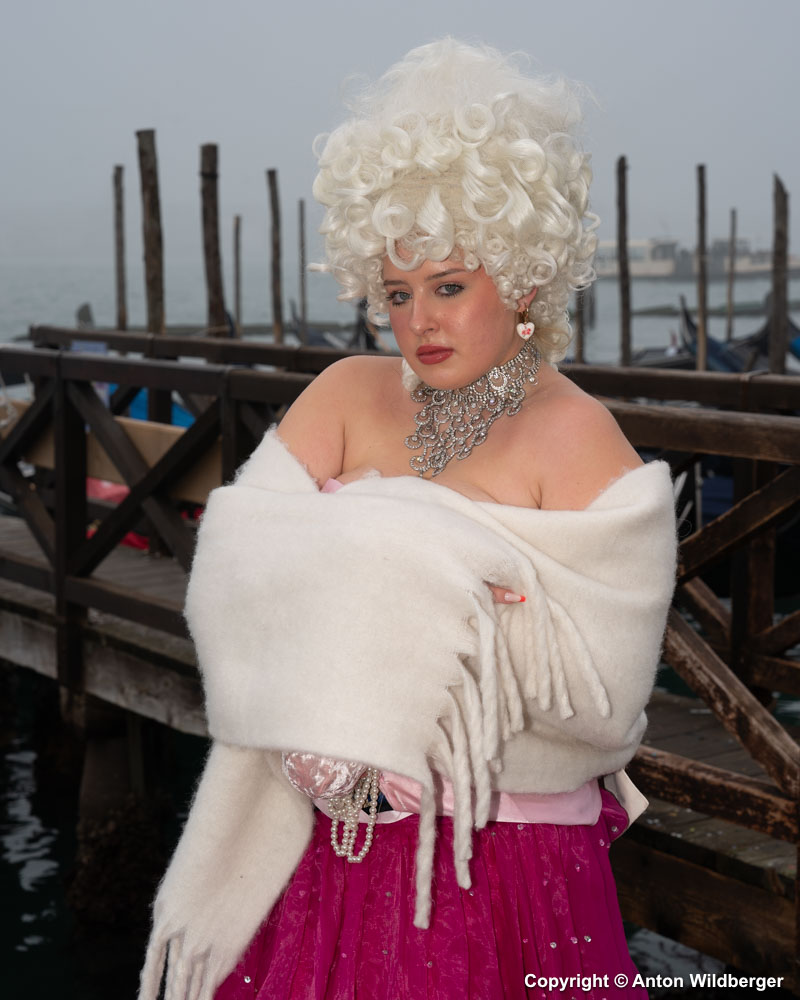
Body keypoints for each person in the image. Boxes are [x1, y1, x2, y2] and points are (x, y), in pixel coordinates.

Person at [139, 39, 676, 1000]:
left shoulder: (579, 437)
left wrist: (361, 566)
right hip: (323, 859)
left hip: (504, 875)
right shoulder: (346, 393)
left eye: (449, 285)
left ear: (522, 280)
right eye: (397, 292)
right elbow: (229, 586)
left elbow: (600, 704)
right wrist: (451, 593)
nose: (419, 320)